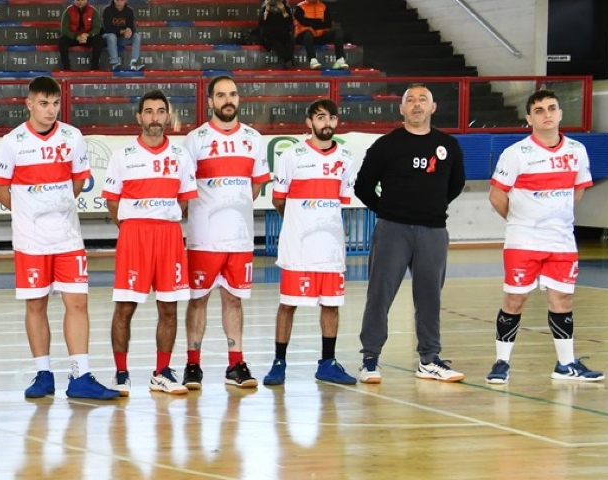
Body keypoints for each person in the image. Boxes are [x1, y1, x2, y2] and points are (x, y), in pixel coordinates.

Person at [0, 77, 120, 401]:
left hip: (68, 238)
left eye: (55, 103)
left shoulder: (72, 137)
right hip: (31, 241)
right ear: (29, 104)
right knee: (36, 304)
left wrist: (55, 207)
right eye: (43, 103)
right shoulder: (13, 141)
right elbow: (0, 189)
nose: (50, 110)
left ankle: (80, 375)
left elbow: (77, 182)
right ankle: (43, 373)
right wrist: (28, 211)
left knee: (78, 302)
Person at [485, 90, 603, 384]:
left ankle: (566, 364)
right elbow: (496, 196)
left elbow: (578, 190)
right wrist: (520, 222)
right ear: (529, 118)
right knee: (515, 300)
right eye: (539, 110)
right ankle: (501, 362)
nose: (547, 114)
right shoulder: (516, 153)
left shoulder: (577, 150)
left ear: (560, 113)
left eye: (552, 108)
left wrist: (556, 218)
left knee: (562, 299)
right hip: (523, 240)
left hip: (562, 241)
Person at [353, 84, 467, 384]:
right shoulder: (386, 145)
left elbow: (456, 184)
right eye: (411, 100)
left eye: (423, 100)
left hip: (433, 232)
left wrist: (431, 208)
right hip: (393, 231)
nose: (417, 105)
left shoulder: (448, 145)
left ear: (433, 107)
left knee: (429, 297)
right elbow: (362, 186)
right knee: (380, 295)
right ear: (402, 109)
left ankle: (429, 359)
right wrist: (389, 210)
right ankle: (370, 359)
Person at [101, 90, 197, 397]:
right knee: (124, 308)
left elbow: (185, 202)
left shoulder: (181, 156)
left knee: (169, 308)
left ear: (168, 116)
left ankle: (161, 373)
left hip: (169, 236)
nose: (155, 118)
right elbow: (112, 202)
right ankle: (121, 374)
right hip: (134, 236)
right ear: (139, 117)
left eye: (160, 111)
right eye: (149, 111)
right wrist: (133, 227)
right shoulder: (123, 156)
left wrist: (160, 220)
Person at [182, 76, 269, 390]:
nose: (228, 100)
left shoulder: (253, 138)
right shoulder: (195, 140)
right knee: (198, 300)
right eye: (221, 95)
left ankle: (236, 364)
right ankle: (193, 364)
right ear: (210, 102)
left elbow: (255, 187)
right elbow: (184, 189)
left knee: (234, 299)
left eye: (232, 94)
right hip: (204, 238)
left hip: (240, 238)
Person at [268, 99, 360, 386]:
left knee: (331, 305)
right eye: (320, 117)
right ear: (309, 122)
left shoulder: (346, 158)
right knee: (288, 304)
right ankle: (279, 363)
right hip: (297, 248)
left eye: (331, 117)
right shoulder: (291, 155)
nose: (326, 123)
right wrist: (298, 222)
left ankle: (327, 363)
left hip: (330, 248)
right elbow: (278, 200)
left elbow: (340, 201)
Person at [293, 0, 348, 70]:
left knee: (337, 31)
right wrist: (319, 22)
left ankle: (340, 59)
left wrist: (311, 22)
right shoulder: (300, 7)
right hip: (303, 36)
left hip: (320, 35)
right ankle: (312, 60)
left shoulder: (323, 6)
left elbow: (328, 23)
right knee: (307, 32)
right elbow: (304, 22)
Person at [58, 0, 103, 71]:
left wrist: (87, 35)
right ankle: (66, 67)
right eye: (78, 0)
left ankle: (95, 66)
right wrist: (76, 37)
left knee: (99, 40)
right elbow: (64, 30)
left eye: (82, 0)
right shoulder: (68, 11)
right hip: (73, 37)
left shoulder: (93, 11)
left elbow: (97, 28)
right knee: (62, 39)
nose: (80, 2)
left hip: (87, 37)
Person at [101, 0, 143, 71]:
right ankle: (115, 63)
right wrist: (122, 31)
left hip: (121, 38)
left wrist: (129, 31)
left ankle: (134, 62)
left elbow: (131, 27)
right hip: (107, 37)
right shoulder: (107, 10)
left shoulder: (129, 11)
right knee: (112, 36)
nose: (121, 2)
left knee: (136, 36)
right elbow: (108, 29)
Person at [259, 0, 297, 69]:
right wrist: (267, 10)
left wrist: (283, 11)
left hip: (284, 35)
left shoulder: (285, 7)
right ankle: (288, 60)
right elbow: (261, 22)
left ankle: (287, 61)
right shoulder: (266, 7)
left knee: (291, 41)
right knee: (276, 43)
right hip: (271, 36)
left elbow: (290, 22)